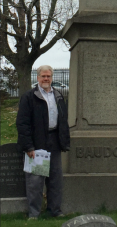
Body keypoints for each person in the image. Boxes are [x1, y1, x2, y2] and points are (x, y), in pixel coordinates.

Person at [16, 65, 70, 219]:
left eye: (49, 76)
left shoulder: (58, 95)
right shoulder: (29, 97)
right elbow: (22, 123)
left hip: (54, 141)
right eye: (43, 76)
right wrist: (28, 146)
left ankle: (55, 210)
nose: (46, 79)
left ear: (52, 78)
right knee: (35, 180)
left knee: (55, 178)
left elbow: (63, 120)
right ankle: (34, 213)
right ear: (38, 78)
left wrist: (64, 142)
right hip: (37, 142)